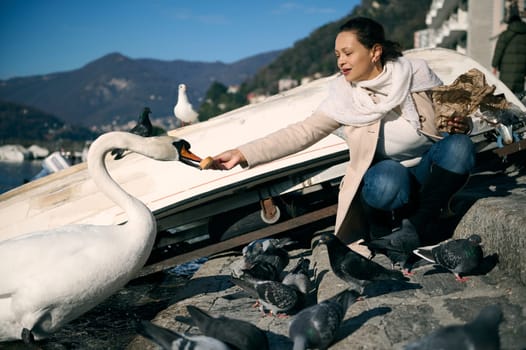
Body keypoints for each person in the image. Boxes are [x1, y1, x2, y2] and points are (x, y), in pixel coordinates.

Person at [209, 17, 475, 254]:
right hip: (391, 175)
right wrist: (243, 153)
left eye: (348, 53)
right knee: (386, 182)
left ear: (375, 52)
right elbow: (302, 132)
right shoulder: (344, 97)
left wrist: (462, 123)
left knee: (460, 146)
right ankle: (385, 232)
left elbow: (454, 112)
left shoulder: (416, 73)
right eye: (337, 55)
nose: (341, 61)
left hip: (430, 166)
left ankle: (417, 226)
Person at [491, 10, 526, 95]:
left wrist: (494, 65)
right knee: (517, 95)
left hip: (506, 70)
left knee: (505, 93)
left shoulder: (505, 35)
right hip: (521, 70)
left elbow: (499, 50)